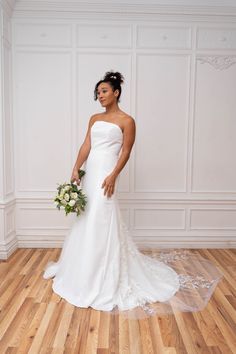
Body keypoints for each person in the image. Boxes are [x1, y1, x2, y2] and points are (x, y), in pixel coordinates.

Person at [43, 71, 223, 318]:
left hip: (106, 171)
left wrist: (114, 175)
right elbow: (87, 144)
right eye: (98, 92)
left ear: (116, 92)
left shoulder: (127, 121)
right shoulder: (94, 118)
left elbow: (126, 151)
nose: (100, 96)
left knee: (102, 216)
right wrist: (76, 167)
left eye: (104, 91)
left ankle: (104, 274)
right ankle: (82, 270)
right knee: (86, 217)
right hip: (92, 170)